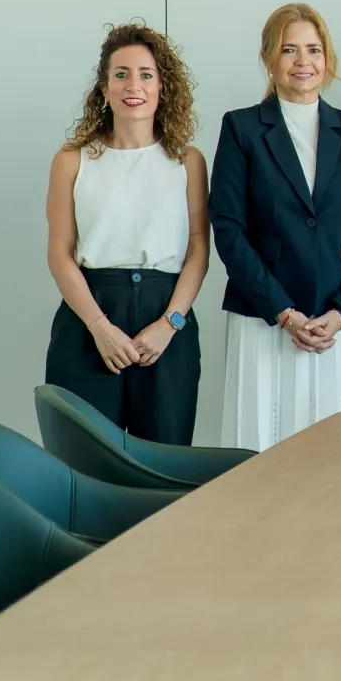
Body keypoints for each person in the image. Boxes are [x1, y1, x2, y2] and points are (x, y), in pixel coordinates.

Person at [211, 4, 341, 450]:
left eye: (313, 49)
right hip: (265, 321)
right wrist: (284, 314)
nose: (302, 61)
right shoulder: (241, 128)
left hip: (338, 326)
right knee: (262, 447)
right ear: (270, 58)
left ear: (327, 58)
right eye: (289, 49)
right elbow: (229, 230)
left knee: (340, 458)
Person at [45, 23, 209, 444]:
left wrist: (170, 324)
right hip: (89, 318)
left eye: (146, 74)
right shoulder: (72, 160)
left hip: (166, 321)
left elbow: (198, 250)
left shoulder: (187, 161)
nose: (133, 85)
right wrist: (99, 326)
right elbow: (60, 254)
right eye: (121, 74)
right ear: (103, 88)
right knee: (83, 465)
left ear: (162, 87)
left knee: (165, 466)